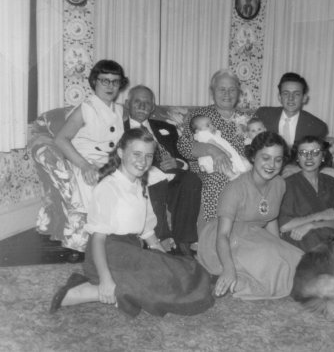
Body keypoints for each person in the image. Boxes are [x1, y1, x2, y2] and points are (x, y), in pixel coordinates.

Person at [49, 128, 214, 318]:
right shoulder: (108, 187)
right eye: (136, 154)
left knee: (174, 269)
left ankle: (104, 285)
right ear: (120, 153)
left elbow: (145, 227)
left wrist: (160, 252)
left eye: (149, 156)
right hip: (109, 252)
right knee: (156, 288)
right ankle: (77, 293)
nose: (142, 161)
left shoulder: (139, 184)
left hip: (130, 250)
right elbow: (97, 238)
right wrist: (105, 280)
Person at [197, 131, 303, 299]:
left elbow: (271, 218)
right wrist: (228, 269)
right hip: (225, 239)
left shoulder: (280, 184)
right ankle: (230, 276)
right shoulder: (235, 188)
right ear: (253, 157)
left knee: (296, 258)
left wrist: (278, 246)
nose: (272, 165)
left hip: (254, 236)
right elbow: (222, 235)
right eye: (265, 158)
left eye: (278, 159)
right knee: (270, 262)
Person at [124, 85, 202, 255]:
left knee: (191, 180)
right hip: (144, 177)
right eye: (137, 102)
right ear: (127, 104)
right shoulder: (119, 129)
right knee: (152, 183)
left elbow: (185, 157)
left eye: (147, 103)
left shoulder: (167, 127)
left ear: (153, 107)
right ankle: (161, 241)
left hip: (172, 178)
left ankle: (184, 242)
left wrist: (178, 163)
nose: (143, 106)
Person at [55, 59, 128, 213]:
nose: (110, 86)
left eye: (115, 82)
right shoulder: (85, 109)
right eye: (105, 81)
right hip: (87, 162)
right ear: (94, 81)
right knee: (97, 185)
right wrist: (84, 165)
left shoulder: (121, 111)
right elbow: (61, 139)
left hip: (111, 162)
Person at [177, 69, 248, 224]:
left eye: (232, 89)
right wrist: (212, 150)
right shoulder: (200, 116)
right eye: (222, 89)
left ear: (238, 92)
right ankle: (213, 228)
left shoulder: (247, 119)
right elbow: (184, 146)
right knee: (221, 179)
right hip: (209, 172)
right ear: (212, 91)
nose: (227, 94)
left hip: (242, 170)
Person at [278, 135, 334, 252]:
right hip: (300, 238)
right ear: (297, 157)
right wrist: (320, 216)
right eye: (303, 153)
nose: (309, 157)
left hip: (327, 236)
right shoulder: (288, 184)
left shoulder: (333, 184)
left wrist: (312, 225)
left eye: (315, 153)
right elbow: (284, 226)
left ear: (322, 156)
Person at [254, 72, 328, 148]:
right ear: (279, 97)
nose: (291, 98)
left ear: (304, 98)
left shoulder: (317, 127)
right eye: (286, 93)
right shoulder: (263, 115)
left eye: (296, 94)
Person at [190, 115, 251, 180]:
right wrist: (225, 151)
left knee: (241, 161)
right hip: (214, 158)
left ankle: (244, 171)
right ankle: (231, 175)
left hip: (220, 156)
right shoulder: (203, 135)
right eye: (208, 125)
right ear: (197, 131)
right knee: (224, 164)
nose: (211, 126)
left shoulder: (211, 134)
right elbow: (214, 145)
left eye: (211, 124)